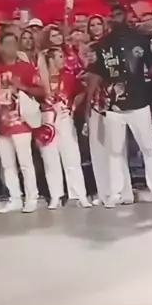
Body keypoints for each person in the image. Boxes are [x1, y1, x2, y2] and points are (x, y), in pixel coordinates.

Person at [86, 4, 152, 207]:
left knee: (149, 148)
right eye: (112, 15)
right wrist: (88, 101)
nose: (115, 18)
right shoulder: (102, 45)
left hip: (140, 103)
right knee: (115, 151)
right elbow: (95, 74)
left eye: (118, 14)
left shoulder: (141, 40)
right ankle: (116, 193)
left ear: (126, 16)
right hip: (114, 106)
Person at [0, 31, 43, 213]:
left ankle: (32, 197)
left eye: (14, 43)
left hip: (21, 123)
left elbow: (41, 90)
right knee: (7, 164)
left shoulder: (26, 68)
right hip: (2, 124)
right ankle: (15, 198)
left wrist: (22, 87)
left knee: (25, 162)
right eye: (7, 44)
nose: (11, 47)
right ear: (0, 47)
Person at [38, 47, 91, 208]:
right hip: (47, 120)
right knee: (50, 160)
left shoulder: (68, 76)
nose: (64, 60)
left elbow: (81, 91)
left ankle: (79, 195)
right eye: (60, 57)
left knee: (72, 157)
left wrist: (74, 106)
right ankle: (56, 195)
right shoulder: (40, 79)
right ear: (51, 59)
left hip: (64, 118)